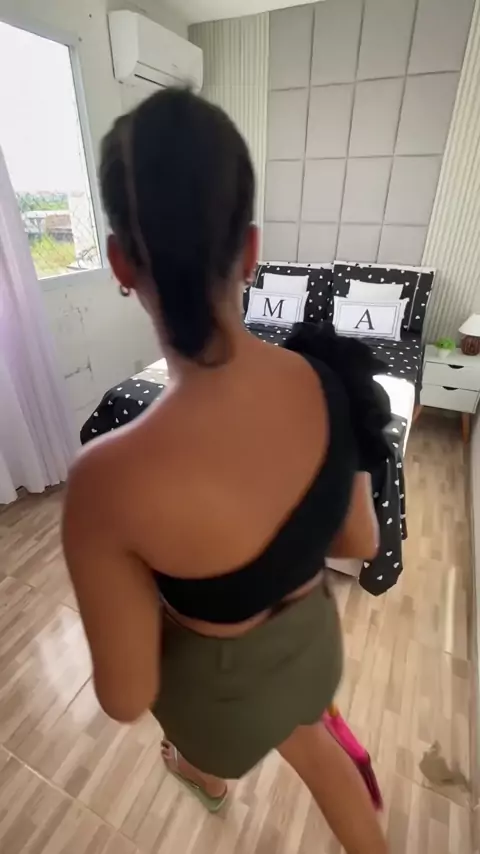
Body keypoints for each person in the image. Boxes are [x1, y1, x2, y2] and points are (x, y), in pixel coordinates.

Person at [62, 87, 389, 854]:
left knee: (216, 728)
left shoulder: (105, 481)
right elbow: (361, 540)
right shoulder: (331, 375)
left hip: (218, 709)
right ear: (249, 250)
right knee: (314, 743)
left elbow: (127, 696)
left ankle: (204, 773)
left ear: (119, 263)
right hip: (313, 654)